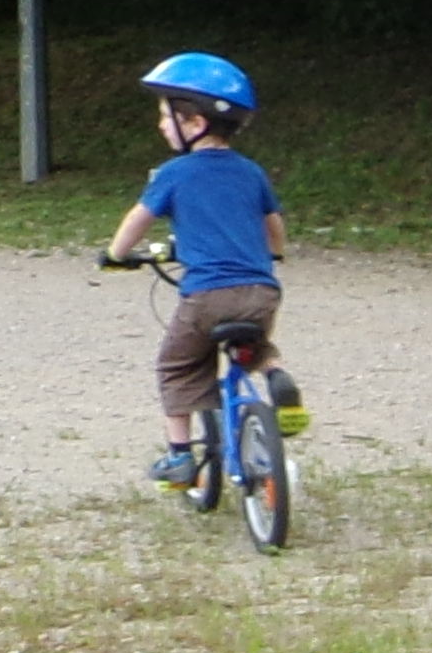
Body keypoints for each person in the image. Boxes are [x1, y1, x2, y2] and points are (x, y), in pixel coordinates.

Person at [99, 52, 296, 488]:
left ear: (194, 121)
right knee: (253, 344)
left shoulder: (174, 173)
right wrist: (276, 254)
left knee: (178, 364)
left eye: (166, 117)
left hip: (207, 295)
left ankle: (180, 456)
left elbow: (138, 219)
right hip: (261, 290)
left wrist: (116, 253)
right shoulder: (251, 171)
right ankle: (277, 377)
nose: (161, 126)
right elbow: (274, 228)